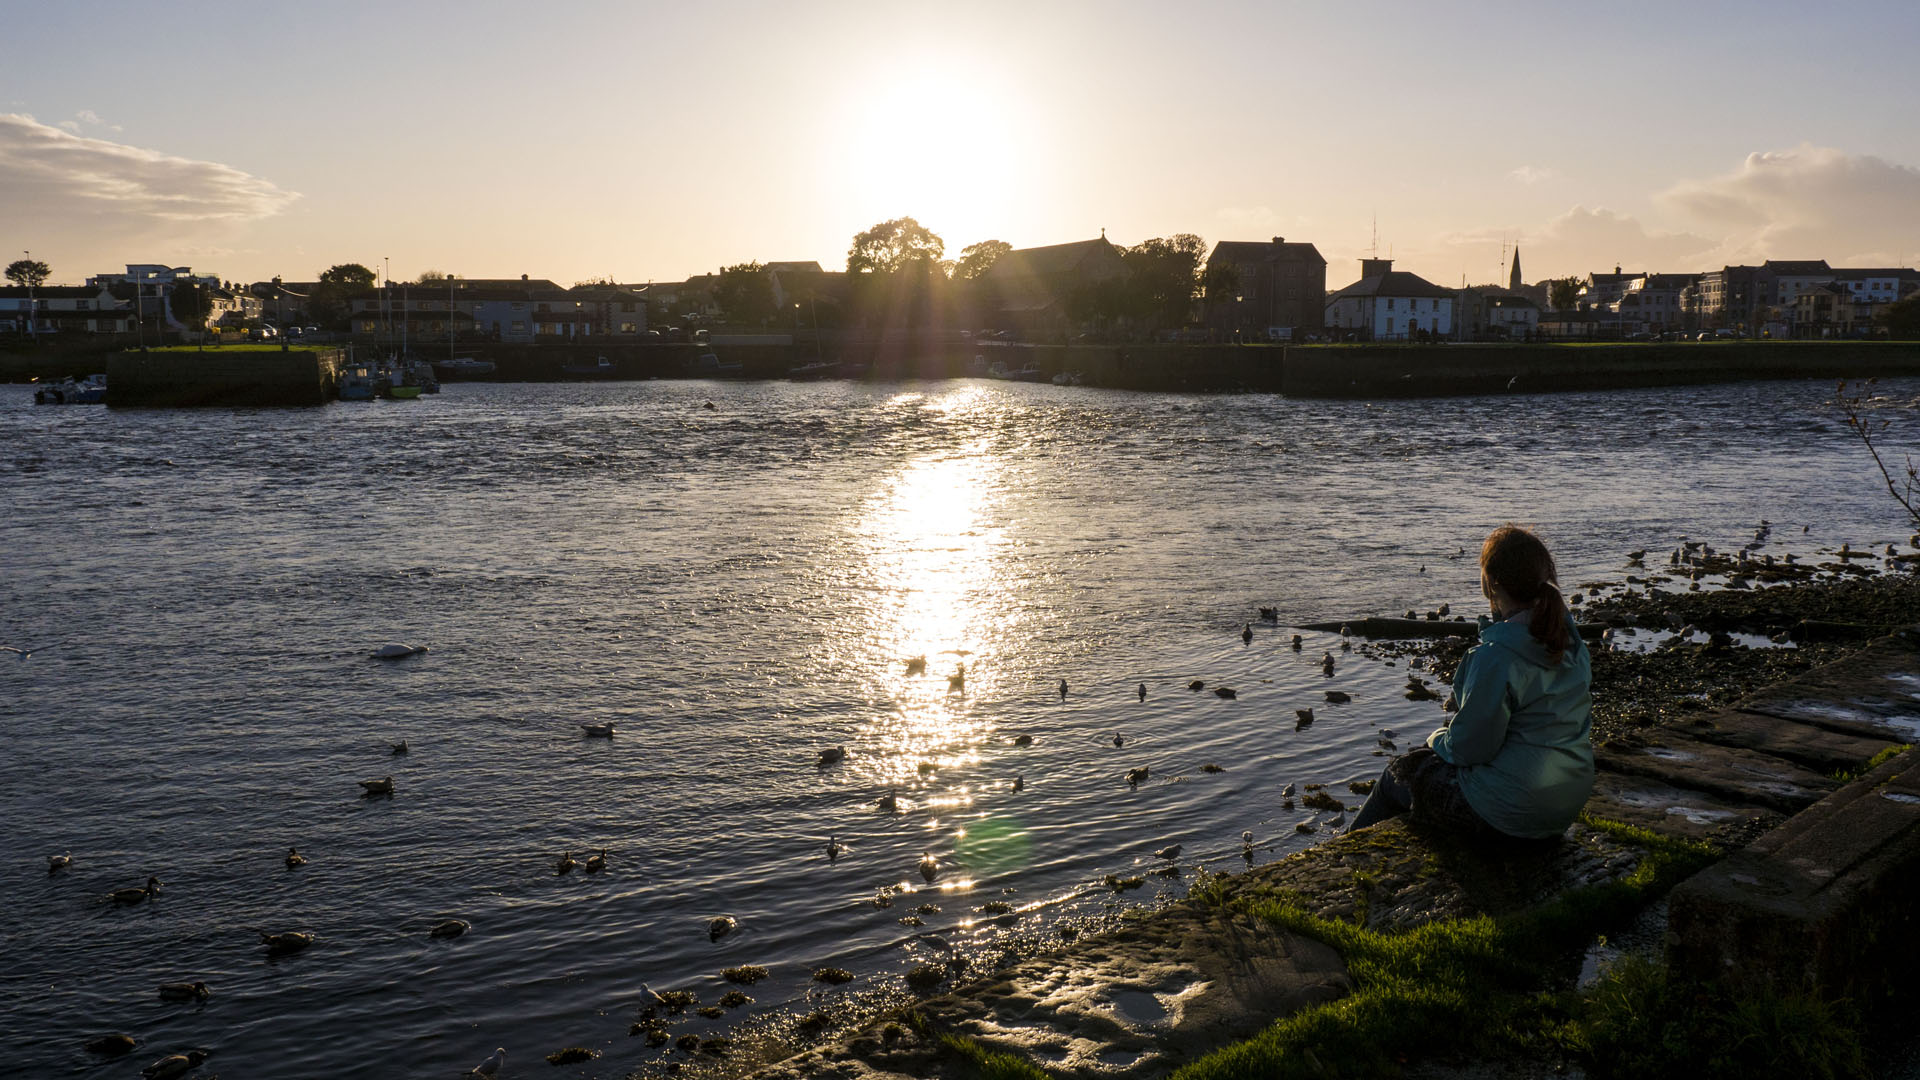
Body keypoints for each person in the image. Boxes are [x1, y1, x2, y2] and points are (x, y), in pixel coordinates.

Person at [1348, 525, 1593, 840]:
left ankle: (1335, 864)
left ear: (1491, 582)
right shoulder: (1570, 644)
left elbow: (1470, 749)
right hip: (1562, 805)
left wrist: (1437, 739)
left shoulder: (1497, 656)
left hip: (1509, 814)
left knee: (1396, 777)